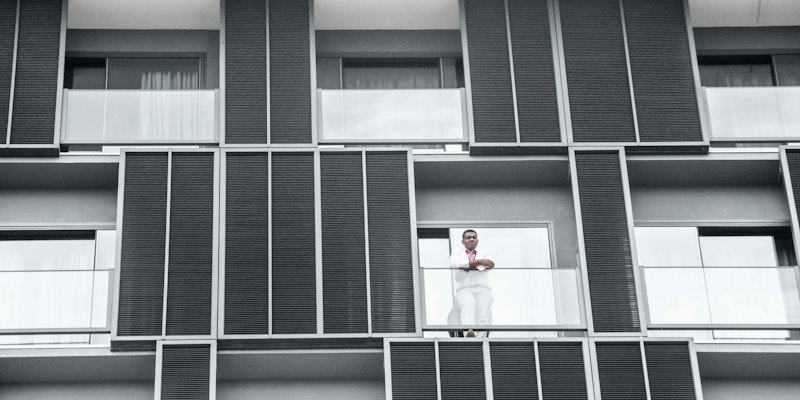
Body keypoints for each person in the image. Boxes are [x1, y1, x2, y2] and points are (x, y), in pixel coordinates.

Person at [449, 229, 495, 336]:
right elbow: (455, 264)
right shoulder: (457, 252)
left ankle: (482, 337)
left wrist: (467, 265)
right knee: (467, 305)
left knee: (483, 311)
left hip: (483, 288)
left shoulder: (485, 252)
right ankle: (470, 335)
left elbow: (490, 263)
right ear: (463, 241)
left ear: (477, 240)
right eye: (468, 237)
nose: (471, 239)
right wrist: (479, 264)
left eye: (474, 237)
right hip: (465, 288)